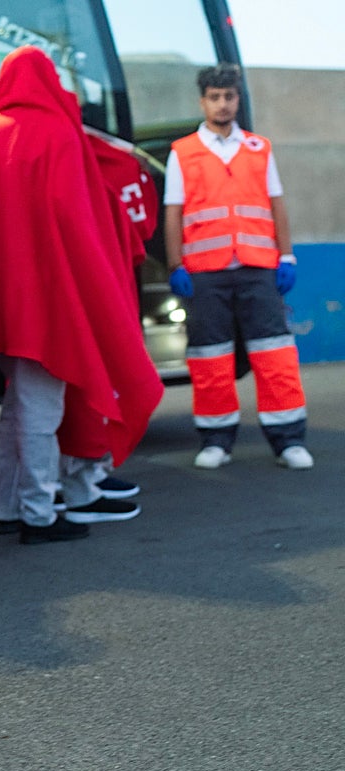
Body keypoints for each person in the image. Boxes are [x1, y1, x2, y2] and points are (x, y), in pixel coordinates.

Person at [0, 46, 161, 545]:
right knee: (40, 409)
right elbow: (81, 225)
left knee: (19, 404)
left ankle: (10, 506)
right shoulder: (57, 135)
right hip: (48, 299)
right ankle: (37, 512)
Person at [164, 62, 311, 470]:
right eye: (215, 97)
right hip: (205, 272)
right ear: (203, 101)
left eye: (229, 97)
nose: (223, 104)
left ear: (237, 100)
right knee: (210, 358)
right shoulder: (184, 152)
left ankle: (288, 441)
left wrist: (286, 255)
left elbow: (275, 204)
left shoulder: (259, 148)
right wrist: (176, 264)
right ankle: (216, 441)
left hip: (258, 267)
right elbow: (173, 212)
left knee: (275, 354)